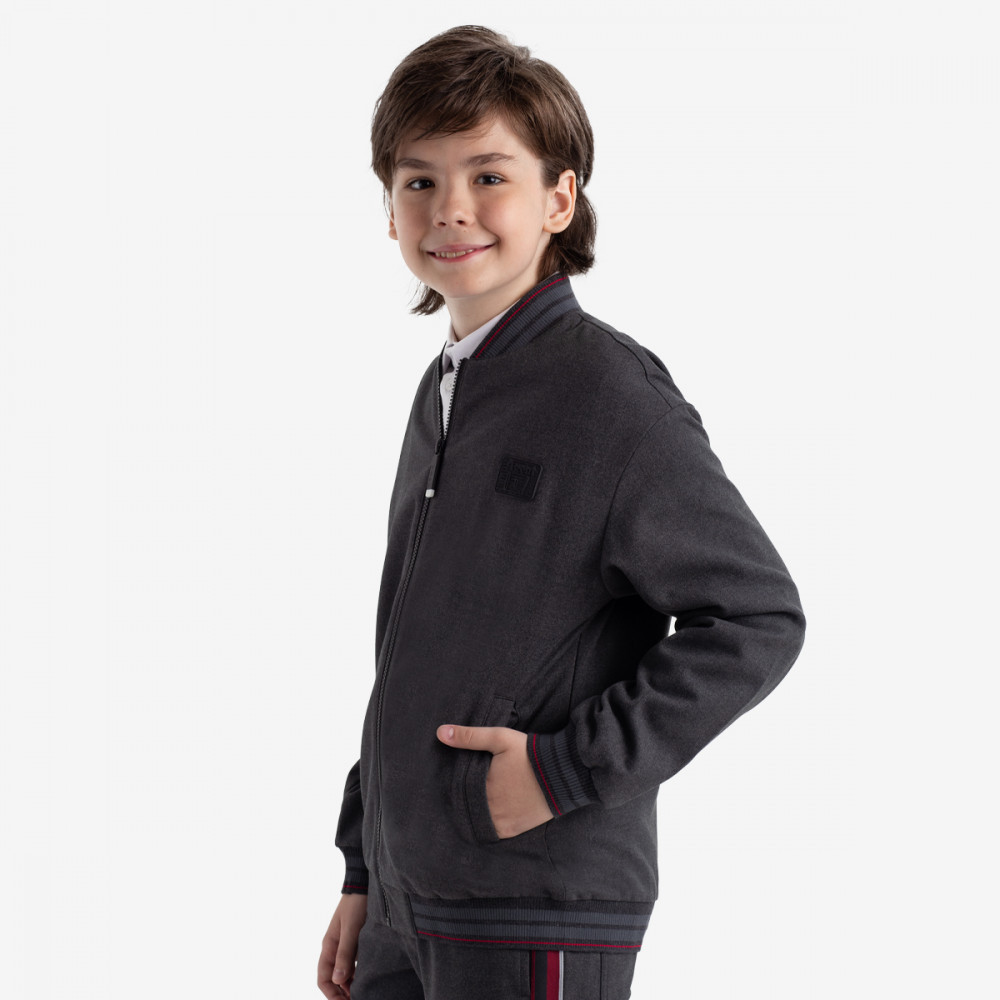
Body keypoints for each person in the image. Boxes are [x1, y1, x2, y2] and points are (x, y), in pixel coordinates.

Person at [317, 25, 805, 1000]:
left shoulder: (609, 394)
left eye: (489, 175)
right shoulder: (445, 391)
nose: (450, 208)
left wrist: (564, 771)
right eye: (419, 180)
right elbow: (409, 652)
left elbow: (757, 616)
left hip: (533, 906)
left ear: (559, 198)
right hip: (412, 905)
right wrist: (363, 869)